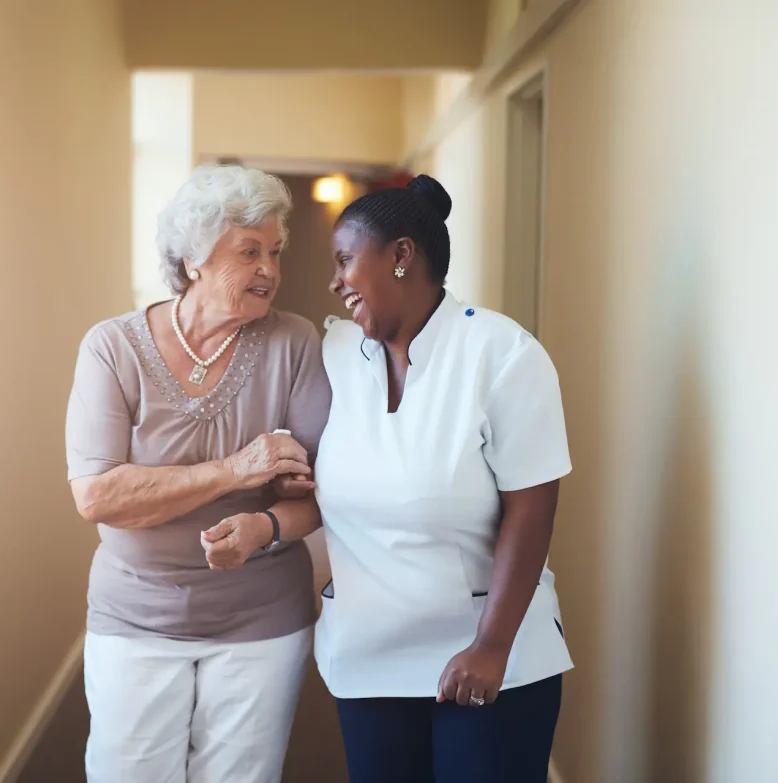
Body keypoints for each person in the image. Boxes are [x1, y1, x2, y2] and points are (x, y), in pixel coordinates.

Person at [64, 165, 331, 783]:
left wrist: (264, 525)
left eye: (275, 251)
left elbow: (319, 494)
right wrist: (239, 470)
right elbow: (99, 495)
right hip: (135, 615)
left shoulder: (294, 343)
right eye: (249, 251)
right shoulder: (113, 349)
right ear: (193, 262)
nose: (270, 268)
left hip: (262, 618)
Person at [313, 174, 573, 782]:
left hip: (486, 660)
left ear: (402, 255)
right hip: (368, 660)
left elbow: (531, 508)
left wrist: (492, 645)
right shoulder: (335, 357)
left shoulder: (503, 353)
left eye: (346, 260)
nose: (335, 280)